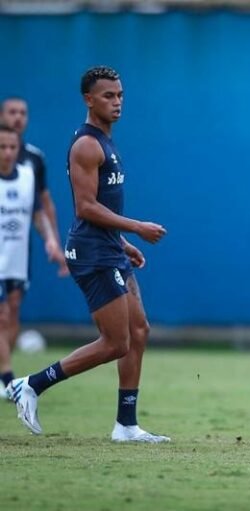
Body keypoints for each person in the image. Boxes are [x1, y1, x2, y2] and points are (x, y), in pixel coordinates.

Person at [6, 66, 170, 442]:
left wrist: (122, 243)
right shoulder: (87, 145)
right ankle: (32, 384)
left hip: (109, 248)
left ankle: (126, 426)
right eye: (108, 96)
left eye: (120, 95)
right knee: (116, 342)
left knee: (139, 331)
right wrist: (137, 228)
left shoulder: (106, 141)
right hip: (92, 253)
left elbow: (101, 207)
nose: (117, 102)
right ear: (88, 100)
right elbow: (86, 207)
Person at [0, 124, 67, 400]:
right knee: (2, 315)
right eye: (2, 147)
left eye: (12, 147)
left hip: (17, 258)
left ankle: (3, 371)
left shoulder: (28, 176)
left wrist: (50, 240)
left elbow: (37, 213)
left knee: (13, 312)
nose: (7, 152)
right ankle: (7, 379)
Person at [1, 96, 63, 251]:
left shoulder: (34, 158)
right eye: (12, 112)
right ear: (1, 116)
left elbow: (43, 202)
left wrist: (53, 240)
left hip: (16, 248)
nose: (18, 117)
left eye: (23, 113)